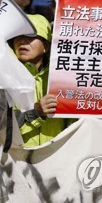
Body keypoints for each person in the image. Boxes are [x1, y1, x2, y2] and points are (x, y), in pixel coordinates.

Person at [12, 14, 72, 146]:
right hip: (18, 158)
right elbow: (0, 124)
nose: (22, 41)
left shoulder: (64, 75)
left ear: (46, 46)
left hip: (60, 155)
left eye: (30, 36)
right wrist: (36, 112)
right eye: (18, 36)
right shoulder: (2, 76)